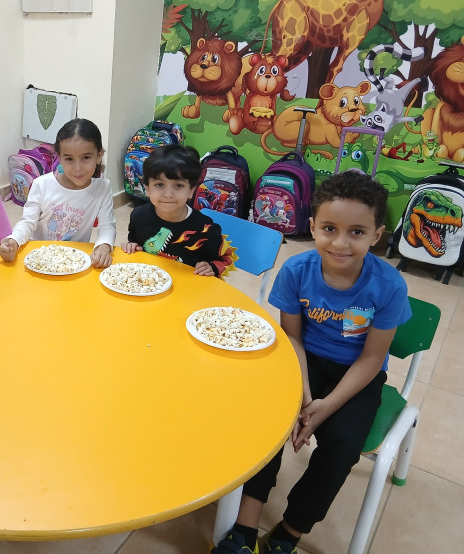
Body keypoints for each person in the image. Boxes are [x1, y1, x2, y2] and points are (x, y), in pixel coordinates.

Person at [211, 170, 411, 554]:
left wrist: (324, 408)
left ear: (376, 235)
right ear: (313, 226)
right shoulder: (296, 270)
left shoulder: (388, 286)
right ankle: (245, 527)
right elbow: (292, 338)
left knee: (342, 447)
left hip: (356, 374)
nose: (340, 242)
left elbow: (372, 358)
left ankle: (291, 530)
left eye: (356, 232)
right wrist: (303, 396)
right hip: (300, 360)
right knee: (266, 425)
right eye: (330, 228)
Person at [0, 118, 116, 268]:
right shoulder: (42, 184)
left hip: (74, 262)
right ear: (59, 158)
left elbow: (107, 225)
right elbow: (28, 222)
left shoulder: (103, 188)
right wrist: (14, 240)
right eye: (69, 159)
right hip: (38, 259)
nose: (77, 168)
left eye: (86, 158)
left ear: (99, 156)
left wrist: (104, 246)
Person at [120, 144, 235, 277]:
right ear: (148, 189)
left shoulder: (205, 228)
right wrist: (132, 246)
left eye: (179, 185)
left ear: (191, 190)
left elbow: (228, 257)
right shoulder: (138, 216)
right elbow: (136, 243)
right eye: (159, 184)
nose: (168, 194)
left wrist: (213, 267)